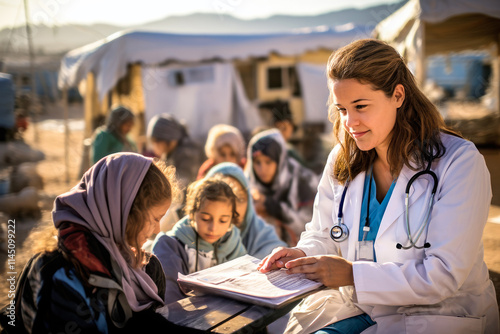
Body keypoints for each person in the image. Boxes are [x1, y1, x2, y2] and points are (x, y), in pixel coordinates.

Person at [258, 39, 499, 334]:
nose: (349, 122)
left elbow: (443, 276)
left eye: (360, 106)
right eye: (342, 109)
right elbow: (323, 234)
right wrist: (304, 255)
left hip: (435, 316)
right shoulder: (343, 159)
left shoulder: (458, 163)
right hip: (354, 308)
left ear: (398, 95)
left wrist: (351, 274)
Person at [0, 153, 203, 333]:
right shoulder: (57, 273)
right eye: (155, 219)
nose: (158, 230)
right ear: (124, 213)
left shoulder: (146, 269)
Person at [152, 177, 246, 304]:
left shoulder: (233, 244)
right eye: (206, 218)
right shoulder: (169, 246)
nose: (213, 228)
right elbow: (170, 298)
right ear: (191, 214)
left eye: (223, 220)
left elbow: (245, 285)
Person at [246, 128, 319, 246]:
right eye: (257, 162)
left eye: (268, 162)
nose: (262, 169)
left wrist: (272, 207)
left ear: (279, 159)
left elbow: (311, 226)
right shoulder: (250, 184)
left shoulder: (302, 181)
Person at [205, 162, 286, 259]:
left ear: (249, 201)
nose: (233, 208)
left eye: (239, 199)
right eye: (220, 199)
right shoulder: (187, 239)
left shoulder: (266, 240)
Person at [146, 113, 204, 188]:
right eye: (151, 140)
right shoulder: (169, 152)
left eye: (156, 140)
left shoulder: (188, 154)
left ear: (171, 140)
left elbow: (181, 184)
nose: (154, 144)